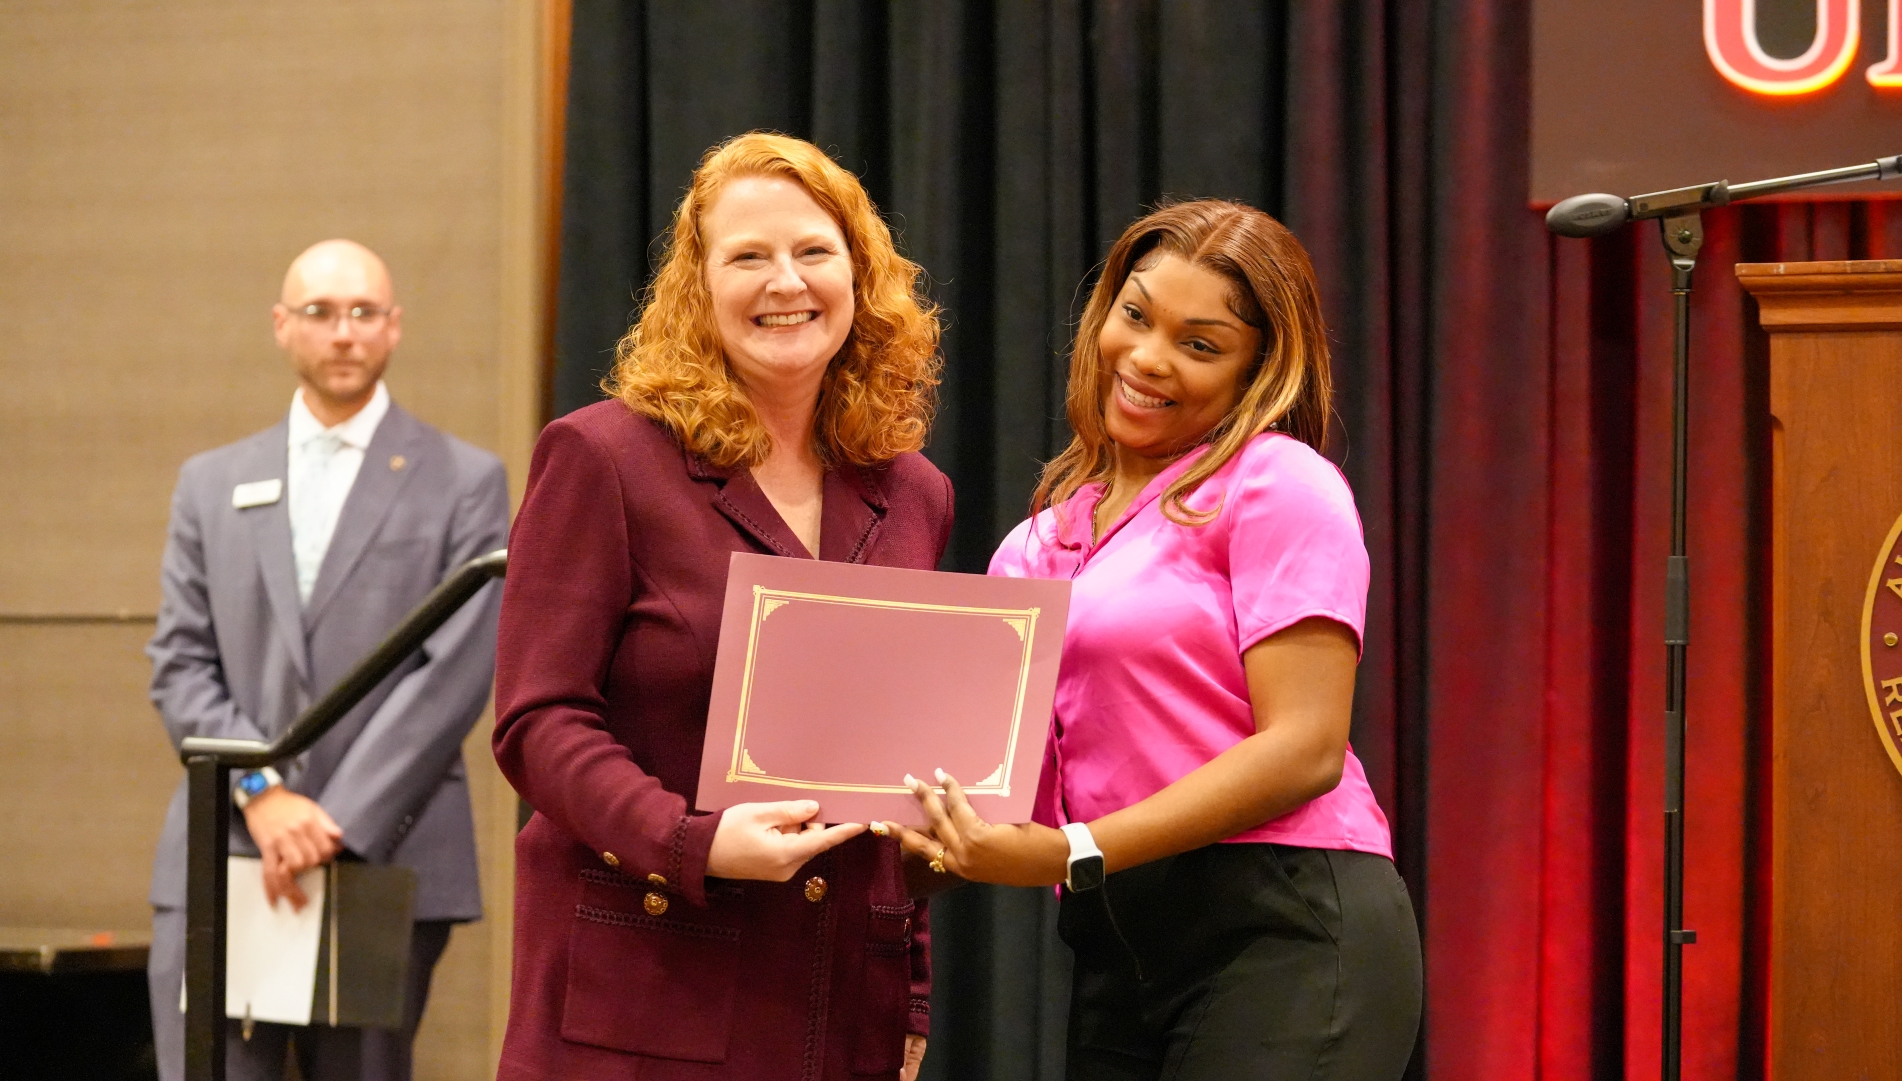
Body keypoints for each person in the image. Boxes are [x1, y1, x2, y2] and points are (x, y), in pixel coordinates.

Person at [887, 200, 1424, 1080]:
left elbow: (1306, 747)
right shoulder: (1031, 547)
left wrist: (1073, 850)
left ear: (1260, 367)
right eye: (1135, 315)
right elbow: (1002, 805)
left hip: (1283, 922)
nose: (1146, 358)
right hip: (1116, 940)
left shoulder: (1280, 483)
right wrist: (892, 845)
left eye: (1200, 343)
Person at [492, 132, 950, 1081]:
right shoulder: (603, 460)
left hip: (839, 1006)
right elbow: (536, 721)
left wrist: (910, 986)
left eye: (814, 252)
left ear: (860, 276)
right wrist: (689, 840)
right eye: (748, 256)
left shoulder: (916, 495)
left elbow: (894, 761)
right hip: (647, 999)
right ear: (698, 291)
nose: (786, 280)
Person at [145, 239, 510, 1081]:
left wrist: (332, 823)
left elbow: (454, 671)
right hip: (228, 845)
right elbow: (179, 660)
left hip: (383, 846)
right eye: (319, 312)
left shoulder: (464, 480)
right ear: (281, 325)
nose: (342, 332)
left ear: (394, 327)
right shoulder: (210, 482)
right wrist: (264, 793)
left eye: (363, 312)